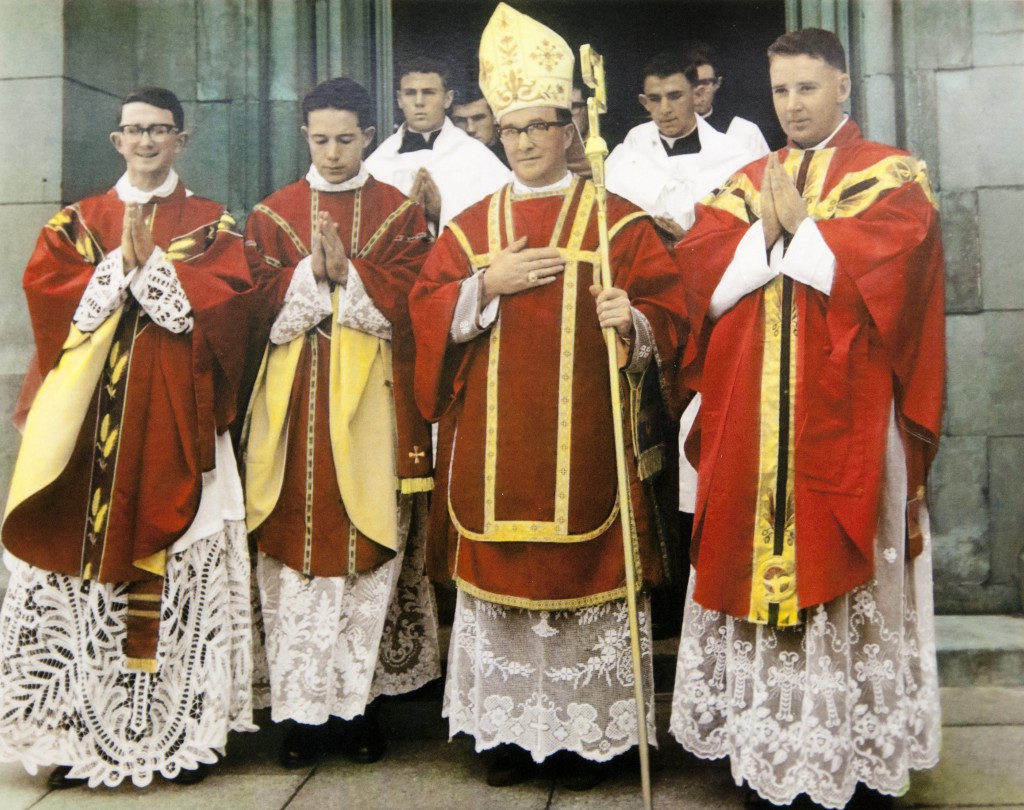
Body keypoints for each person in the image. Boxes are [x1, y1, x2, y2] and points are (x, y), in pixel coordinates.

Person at [410, 3, 686, 792]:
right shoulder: (469, 229)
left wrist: (632, 321)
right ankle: (505, 732)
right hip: (496, 450)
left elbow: (673, 319)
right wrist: (481, 287)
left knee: (583, 589)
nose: (526, 143)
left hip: (588, 446)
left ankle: (587, 735)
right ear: (497, 132)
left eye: (540, 127)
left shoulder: (617, 224)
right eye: (513, 129)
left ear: (570, 128)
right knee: (505, 592)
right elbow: (425, 316)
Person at [669, 28, 945, 809]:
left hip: (846, 418)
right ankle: (771, 747)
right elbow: (701, 279)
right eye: (782, 90)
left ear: (844, 87)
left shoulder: (890, 174)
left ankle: (852, 752)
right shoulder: (750, 180)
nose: (792, 105)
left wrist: (806, 232)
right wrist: (770, 229)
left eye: (808, 88)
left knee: (850, 578)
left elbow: (900, 274)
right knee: (758, 571)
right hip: (753, 421)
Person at [0, 87, 255, 788]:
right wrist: (118, 268)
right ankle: (79, 735)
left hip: (177, 420)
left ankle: (172, 733)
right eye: (134, 131)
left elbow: (231, 309)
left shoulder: (210, 221)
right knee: (76, 566)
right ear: (116, 140)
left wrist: (158, 269)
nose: (145, 142)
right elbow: (51, 303)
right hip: (88, 431)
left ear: (181, 139)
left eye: (159, 131)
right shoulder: (78, 220)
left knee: (180, 561)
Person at [243, 77, 441, 769]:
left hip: (373, 406)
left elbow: (422, 297)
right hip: (291, 403)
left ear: (369, 134)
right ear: (305, 134)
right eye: (321, 139)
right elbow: (250, 302)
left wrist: (350, 276)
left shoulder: (398, 212)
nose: (333, 152)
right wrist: (308, 279)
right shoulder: (272, 214)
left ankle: (362, 709)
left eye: (347, 139)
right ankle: (300, 716)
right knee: (294, 556)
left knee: (368, 548)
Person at [606, 52, 762, 246]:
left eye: (675, 96)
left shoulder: (732, 155)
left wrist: (689, 241)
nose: (665, 109)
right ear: (644, 102)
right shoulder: (632, 148)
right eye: (655, 99)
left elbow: (749, 234)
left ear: (694, 95)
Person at [365, 56, 509, 230]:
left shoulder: (476, 156)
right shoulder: (378, 163)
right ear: (399, 99)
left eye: (428, 92)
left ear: (447, 99)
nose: (419, 102)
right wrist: (406, 215)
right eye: (410, 93)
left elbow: (501, 219)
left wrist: (441, 212)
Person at [689, 42, 771, 158]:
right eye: (691, 83)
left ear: (717, 83)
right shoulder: (659, 134)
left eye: (705, 83)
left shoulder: (745, 132)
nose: (697, 91)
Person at [450, 84, 508, 166]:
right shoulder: (449, 161)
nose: (470, 129)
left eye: (478, 118)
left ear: (494, 117)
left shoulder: (513, 158)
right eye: (461, 120)